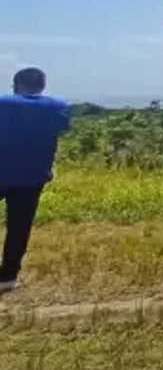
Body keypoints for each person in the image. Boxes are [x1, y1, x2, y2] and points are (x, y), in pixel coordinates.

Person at [0, 68, 71, 293]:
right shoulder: (58, 107)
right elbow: (60, 131)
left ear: (16, 84)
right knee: (19, 227)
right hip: (32, 177)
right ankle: (8, 277)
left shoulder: (3, 103)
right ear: (42, 85)